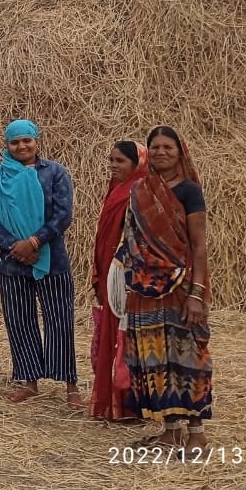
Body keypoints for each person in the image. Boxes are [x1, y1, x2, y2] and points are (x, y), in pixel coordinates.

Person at [120, 126, 213, 451]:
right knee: (155, 355)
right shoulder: (140, 190)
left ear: (180, 151)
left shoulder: (189, 191)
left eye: (167, 147)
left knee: (188, 355)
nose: (160, 152)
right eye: (155, 147)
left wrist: (196, 293)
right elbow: (132, 240)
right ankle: (170, 430)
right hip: (145, 289)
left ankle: (196, 432)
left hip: (182, 286)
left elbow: (199, 246)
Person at [0, 119, 83, 409]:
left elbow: (63, 215)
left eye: (27, 140)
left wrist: (35, 242)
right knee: (20, 322)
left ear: (37, 141)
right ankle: (29, 381)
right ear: (7, 146)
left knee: (59, 320)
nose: (21, 146)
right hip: (13, 263)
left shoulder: (54, 173)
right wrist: (14, 246)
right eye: (15, 142)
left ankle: (70, 385)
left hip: (51, 260)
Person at [89, 140, 146, 422]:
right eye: (111, 160)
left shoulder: (142, 192)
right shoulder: (115, 191)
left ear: (137, 164)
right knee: (114, 339)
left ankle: (132, 404)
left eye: (120, 161)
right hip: (110, 273)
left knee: (130, 338)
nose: (113, 165)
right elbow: (104, 237)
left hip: (130, 277)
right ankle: (114, 402)